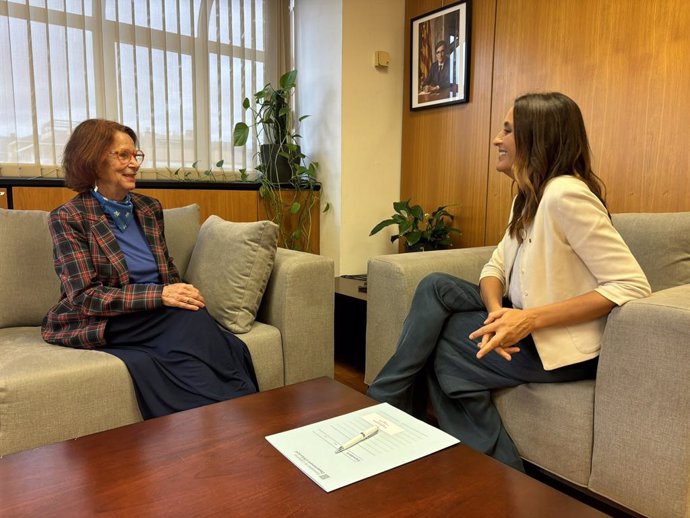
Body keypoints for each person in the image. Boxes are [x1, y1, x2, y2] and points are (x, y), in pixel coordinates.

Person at [367, 92, 651, 471]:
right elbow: (494, 269)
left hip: (566, 349)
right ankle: (392, 403)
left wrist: (529, 320)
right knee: (435, 285)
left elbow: (631, 285)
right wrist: (499, 315)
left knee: (448, 343)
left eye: (507, 130)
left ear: (537, 138)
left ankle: (486, 463)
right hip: (521, 319)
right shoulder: (526, 199)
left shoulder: (566, 195)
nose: (496, 139)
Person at [42, 119, 258, 419]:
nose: (134, 164)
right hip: (105, 317)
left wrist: (180, 293)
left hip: (155, 314)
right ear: (93, 159)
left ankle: (225, 418)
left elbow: (165, 271)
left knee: (215, 336)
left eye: (136, 155)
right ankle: (248, 409)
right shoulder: (68, 218)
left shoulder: (148, 208)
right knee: (193, 325)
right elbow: (85, 297)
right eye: (123, 155)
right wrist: (161, 296)